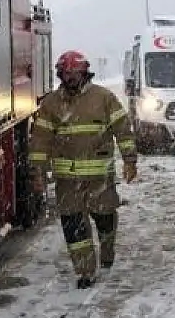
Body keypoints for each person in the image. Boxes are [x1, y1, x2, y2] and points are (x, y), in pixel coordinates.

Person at [29, 51, 139, 289]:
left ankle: (107, 253)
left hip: (100, 179)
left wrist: (130, 160)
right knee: (73, 227)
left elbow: (123, 129)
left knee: (106, 220)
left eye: (75, 72)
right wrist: (37, 172)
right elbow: (40, 140)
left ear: (84, 72)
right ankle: (85, 272)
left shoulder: (104, 98)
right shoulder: (50, 104)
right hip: (67, 182)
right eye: (66, 73)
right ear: (60, 74)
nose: (70, 77)